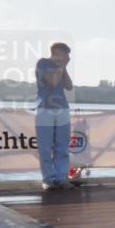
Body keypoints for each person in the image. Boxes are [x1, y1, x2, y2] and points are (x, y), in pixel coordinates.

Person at [35, 42, 74, 190]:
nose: (68, 57)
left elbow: (69, 86)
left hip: (62, 109)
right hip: (45, 109)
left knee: (62, 146)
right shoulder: (43, 63)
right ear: (57, 52)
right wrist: (62, 65)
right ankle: (47, 179)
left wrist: (64, 67)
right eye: (65, 54)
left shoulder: (61, 67)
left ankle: (61, 178)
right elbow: (53, 81)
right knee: (45, 147)